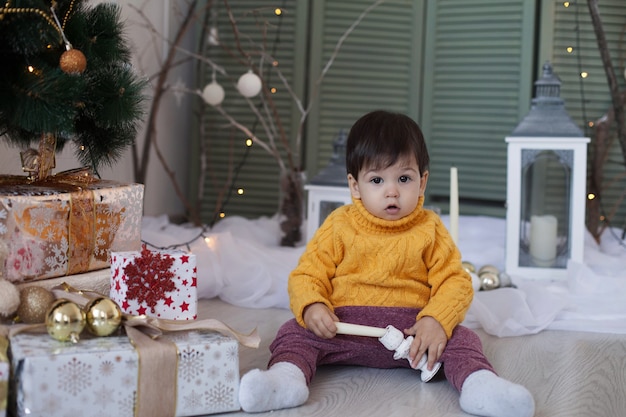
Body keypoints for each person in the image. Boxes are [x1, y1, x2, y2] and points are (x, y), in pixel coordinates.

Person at [238, 110, 535, 417]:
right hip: (342, 329)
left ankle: (481, 386)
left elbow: (455, 281)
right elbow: (307, 273)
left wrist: (436, 320)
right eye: (377, 179)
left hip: (414, 333)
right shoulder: (339, 224)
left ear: (422, 182)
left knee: (463, 339)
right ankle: (286, 380)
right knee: (293, 332)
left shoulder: (430, 228)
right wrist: (313, 306)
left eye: (404, 178)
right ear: (355, 186)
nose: (392, 191)